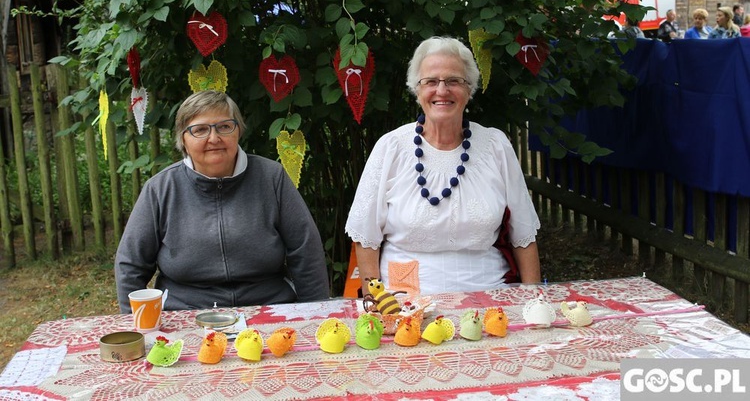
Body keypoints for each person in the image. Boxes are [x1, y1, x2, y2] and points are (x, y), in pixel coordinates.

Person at [345, 36, 541, 296]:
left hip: (492, 296)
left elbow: (523, 235)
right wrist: (376, 305)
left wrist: (534, 299)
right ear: (417, 89)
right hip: (406, 301)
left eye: (453, 81)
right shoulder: (391, 147)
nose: (442, 90)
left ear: (469, 89)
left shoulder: (495, 145)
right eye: (431, 81)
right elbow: (366, 238)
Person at [115, 90, 329, 311]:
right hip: (185, 312)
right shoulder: (160, 189)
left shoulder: (272, 177)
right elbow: (131, 265)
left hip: (270, 307)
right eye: (200, 130)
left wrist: (315, 313)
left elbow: (306, 250)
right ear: (183, 140)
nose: (214, 138)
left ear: (238, 131)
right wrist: (135, 325)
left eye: (225, 127)